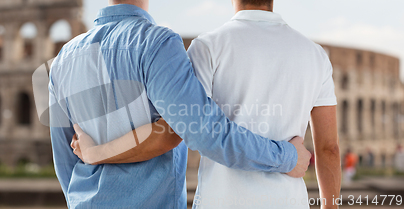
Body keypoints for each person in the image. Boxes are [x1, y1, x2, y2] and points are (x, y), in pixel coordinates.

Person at [74, 0, 341, 208]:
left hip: (222, 200)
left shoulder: (208, 46)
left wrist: (98, 152)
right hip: (288, 201)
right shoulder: (315, 55)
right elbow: (329, 149)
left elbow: (177, 128)